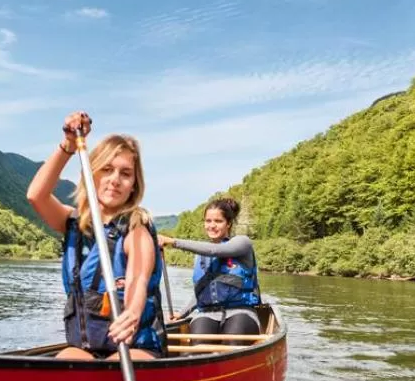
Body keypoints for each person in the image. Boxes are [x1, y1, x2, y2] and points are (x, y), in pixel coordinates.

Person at [26, 111, 164, 360]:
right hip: (86, 347)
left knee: (116, 364)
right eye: (107, 169)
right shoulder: (74, 223)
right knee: (68, 358)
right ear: (92, 174)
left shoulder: (136, 226)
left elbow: (137, 280)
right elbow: (36, 195)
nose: (115, 180)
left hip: (134, 349)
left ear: (134, 183)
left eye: (125, 173)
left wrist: (132, 313)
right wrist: (67, 145)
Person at [157, 197, 262, 339]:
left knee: (233, 343)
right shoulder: (201, 256)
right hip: (207, 313)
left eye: (218, 221)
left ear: (229, 223)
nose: (212, 226)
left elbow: (215, 250)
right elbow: (202, 289)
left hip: (240, 311)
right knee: (198, 344)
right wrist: (182, 313)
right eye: (208, 221)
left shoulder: (242, 243)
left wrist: (173, 242)